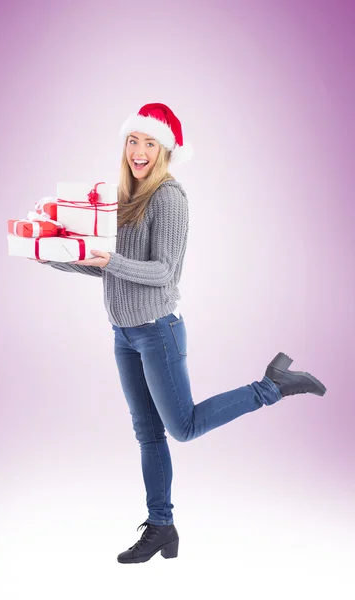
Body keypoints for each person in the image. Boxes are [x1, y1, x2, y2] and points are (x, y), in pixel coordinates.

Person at [35, 102, 327, 564]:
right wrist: (49, 250)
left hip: (157, 332)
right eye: (133, 140)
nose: (139, 151)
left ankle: (271, 386)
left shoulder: (169, 197)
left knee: (183, 427)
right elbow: (111, 272)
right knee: (148, 435)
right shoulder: (121, 196)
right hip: (124, 335)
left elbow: (163, 273)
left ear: (165, 150)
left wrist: (109, 260)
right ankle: (162, 527)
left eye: (150, 142)